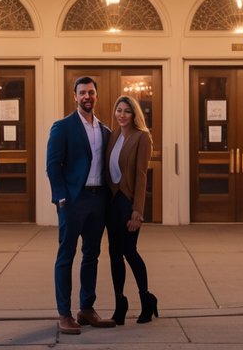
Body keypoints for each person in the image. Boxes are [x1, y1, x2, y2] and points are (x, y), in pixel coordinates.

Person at [46, 76, 116, 335]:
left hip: (98, 201)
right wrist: (61, 198)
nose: (87, 97)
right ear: (74, 97)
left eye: (91, 92)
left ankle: (86, 308)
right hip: (73, 201)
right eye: (82, 92)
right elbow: (53, 164)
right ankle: (64, 314)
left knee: (92, 255)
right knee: (66, 255)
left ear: (96, 96)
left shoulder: (105, 130)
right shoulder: (62, 127)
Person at [105, 95, 157, 324]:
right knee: (114, 253)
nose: (122, 115)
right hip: (112, 202)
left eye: (127, 111)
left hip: (128, 202)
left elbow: (142, 176)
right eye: (119, 110)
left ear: (134, 114)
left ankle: (147, 298)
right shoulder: (113, 134)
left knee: (129, 251)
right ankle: (120, 304)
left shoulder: (142, 137)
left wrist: (137, 210)